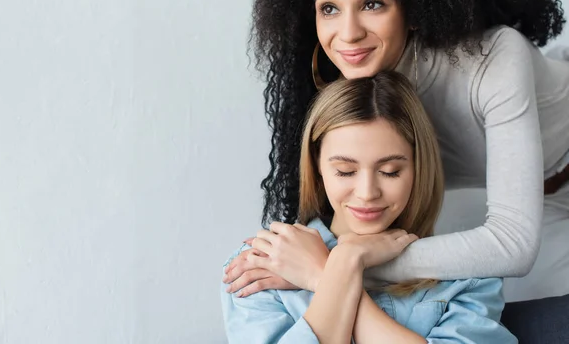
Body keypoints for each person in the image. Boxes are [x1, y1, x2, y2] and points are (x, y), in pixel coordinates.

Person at [223, 0, 569, 340]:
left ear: (416, 6)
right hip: (533, 211)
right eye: (329, 8)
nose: (348, 32)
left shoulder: (491, 60)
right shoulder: (348, 82)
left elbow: (513, 244)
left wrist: (338, 266)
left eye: (372, 4)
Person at [221, 74, 517, 343]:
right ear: (317, 166)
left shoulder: (468, 278)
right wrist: (340, 269)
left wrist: (330, 271)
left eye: (389, 171)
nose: (367, 193)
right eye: (345, 171)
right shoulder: (262, 264)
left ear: (418, 167)